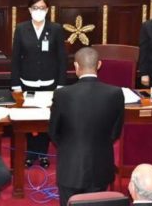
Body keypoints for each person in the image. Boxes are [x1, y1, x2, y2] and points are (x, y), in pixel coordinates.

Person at [49, 47, 125, 206]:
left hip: (70, 168)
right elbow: (115, 132)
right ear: (99, 65)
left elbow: (54, 132)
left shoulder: (62, 94)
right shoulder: (115, 93)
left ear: (76, 66)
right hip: (100, 166)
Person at [11, 0, 67, 168]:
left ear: (47, 10)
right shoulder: (21, 29)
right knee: (28, 119)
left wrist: (61, 84)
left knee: (46, 120)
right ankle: (30, 154)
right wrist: (15, 85)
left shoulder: (56, 29)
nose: (38, 11)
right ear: (29, 10)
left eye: (42, 8)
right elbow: (15, 59)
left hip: (50, 83)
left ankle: (42, 153)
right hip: (27, 82)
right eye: (35, 8)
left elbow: (61, 59)